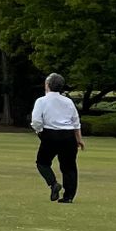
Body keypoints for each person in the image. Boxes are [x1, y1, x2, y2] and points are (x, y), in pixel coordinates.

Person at [30, 73, 84, 204]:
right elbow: (75, 121)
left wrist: (39, 131)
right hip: (68, 135)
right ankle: (68, 196)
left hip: (50, 134)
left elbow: (36, 121)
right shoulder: (68, 101)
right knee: (69, 167)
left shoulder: (41, 101)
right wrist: (79, 138)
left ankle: (53, 183)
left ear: (47, 85)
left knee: (42, 163)